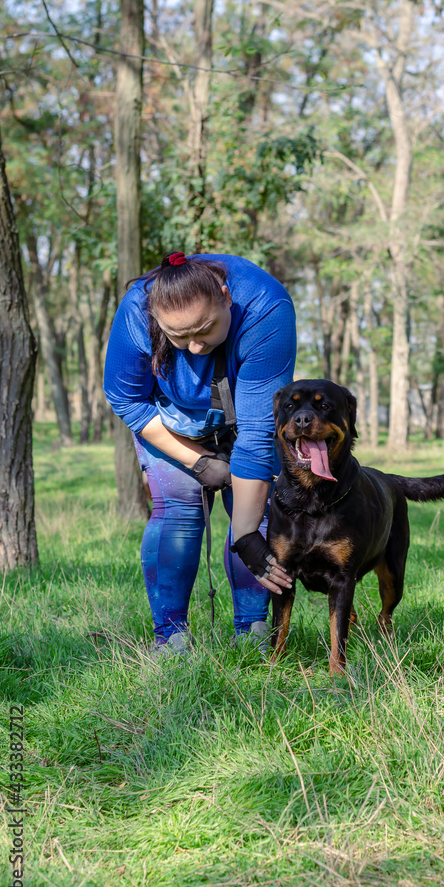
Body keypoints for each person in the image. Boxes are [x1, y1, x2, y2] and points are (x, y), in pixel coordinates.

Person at [104, 251, 295, 655]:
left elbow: (258, 433)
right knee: (179, 508)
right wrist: (198, 460)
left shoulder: (266, 308)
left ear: (226, 296)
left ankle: (252, 632)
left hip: (244, 418)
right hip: (168, 421)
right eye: (178, 337)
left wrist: (245, 536)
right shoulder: (137, 310)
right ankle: (170, 638)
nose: (194, 347)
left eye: (205, 330)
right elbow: (127, 399)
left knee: (256, 517)